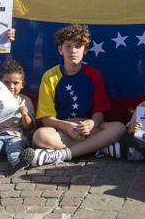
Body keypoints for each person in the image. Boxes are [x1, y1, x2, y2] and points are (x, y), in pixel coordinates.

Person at [21, 24, 127, 167]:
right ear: (60, 49)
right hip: (62, 130)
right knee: (39, 137)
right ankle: (98, 146)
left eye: (78, 46)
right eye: (68, 46)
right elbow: (46, 119)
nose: (73, 51)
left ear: (85, 50)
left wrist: (91, 123)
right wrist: (66, 126)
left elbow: (98, 114)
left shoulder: (94, 75)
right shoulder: (49, 76)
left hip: (89, 130)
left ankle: (62, 154)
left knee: (119, 128)